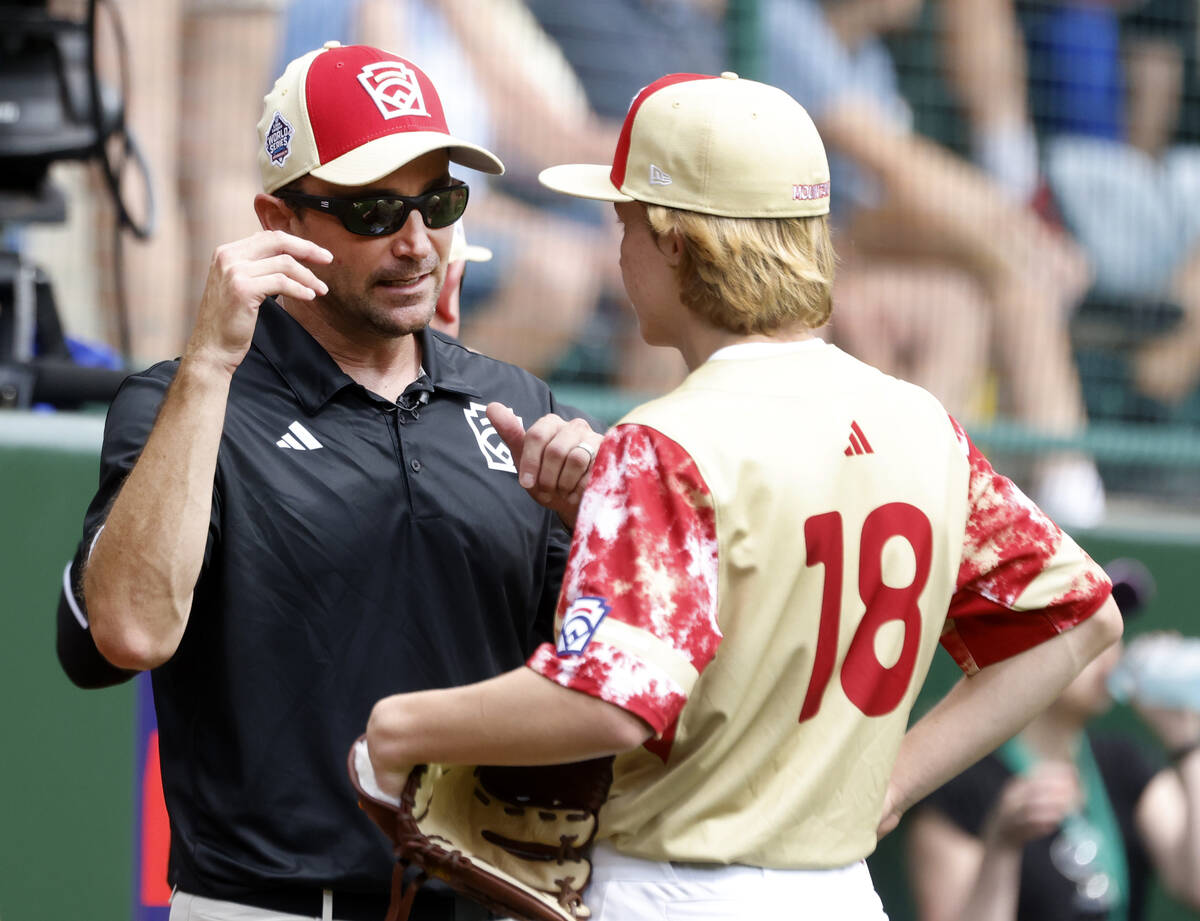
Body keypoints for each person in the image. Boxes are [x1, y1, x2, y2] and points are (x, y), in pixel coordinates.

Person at [362, 71, 1124, 920]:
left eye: (627, 224)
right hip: (840, 892)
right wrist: (893, 780)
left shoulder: (666, 442)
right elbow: (1081, 618)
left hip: (673, 886)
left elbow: (611, 699)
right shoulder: (922, 422)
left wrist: (400, 726)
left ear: (678, 243)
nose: (621, 251)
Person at [58, 41, 604, 921]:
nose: (417, 240)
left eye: (439, 200)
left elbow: (600, 683)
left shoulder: (515, 403)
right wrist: (207, 368)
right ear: (280, 217)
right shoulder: (182, 399)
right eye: (377, 208)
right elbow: (125, 631)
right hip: (270, 905)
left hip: (485, 899)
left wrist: (595, 528)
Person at [759, 0, 1107, 528]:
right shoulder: (784, 25)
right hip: (796, 246)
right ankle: (1063, 480)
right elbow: (896, 167)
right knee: (989, 250)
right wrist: (1025, 231)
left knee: (965, 296)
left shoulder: (870, 56)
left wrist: (1021, 235)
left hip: (859, 248)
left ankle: (933, 486)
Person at [905, 574, 1200, 921]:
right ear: (1022, 637)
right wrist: (1002, 844)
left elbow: (1194, 885)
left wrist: (1186, 743)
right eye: (1086, 621)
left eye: (1113, 621)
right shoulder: (960, 779)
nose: (1108, 643)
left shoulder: (1121, 763)